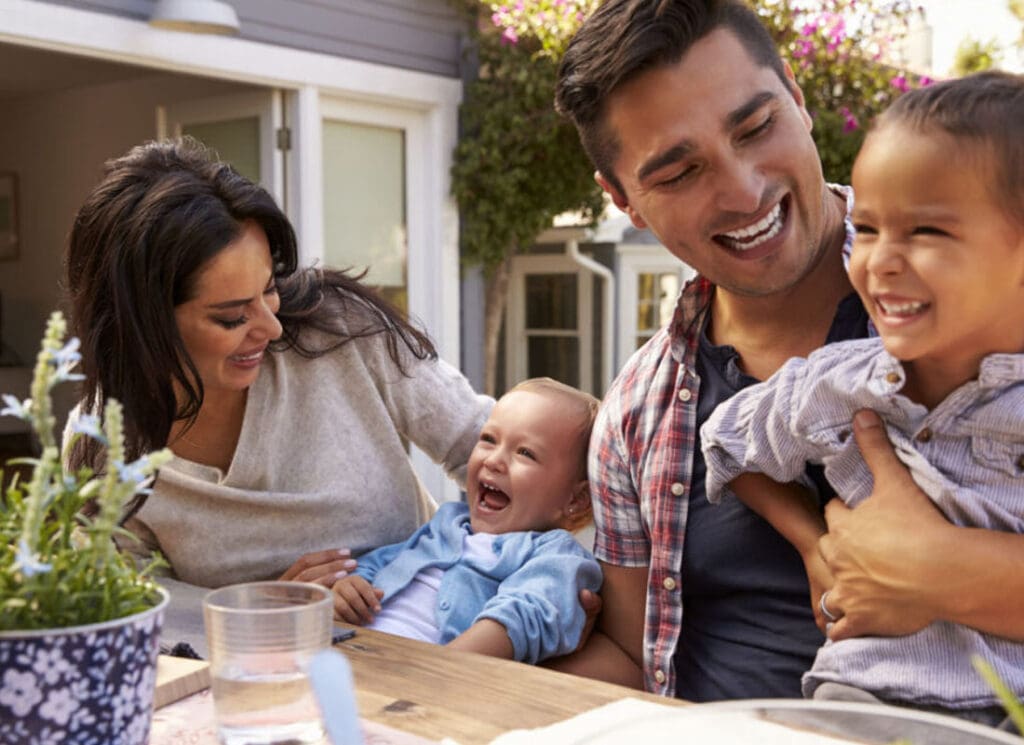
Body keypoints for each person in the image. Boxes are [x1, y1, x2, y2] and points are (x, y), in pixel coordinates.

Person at [550, 0, 1024, 702]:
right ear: (624, 200)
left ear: (797, 99)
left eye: (756, 125)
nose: (743, 191)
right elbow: (630, 648)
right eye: (679, 173)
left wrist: (939, 569)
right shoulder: (634, 411)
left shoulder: (991, 297)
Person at [700, 72, 1024, 724]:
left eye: (927, 232)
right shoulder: (840, 383)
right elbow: (727, 440)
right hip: (858, 701)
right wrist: (814, 543)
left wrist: (934, 570)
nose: (881, 260)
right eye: (869, 227)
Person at [63, 137, 492, 594]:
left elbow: (486, 446)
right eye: (232, 316)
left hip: (433, 633)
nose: (270, 326)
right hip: (259, 661)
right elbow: (136, 603)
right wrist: (266, 605)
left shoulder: (340, 330)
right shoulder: (103, 448)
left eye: (269, 288)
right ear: (143, 324)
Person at [332, 378, 603, 664]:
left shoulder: (555, 555)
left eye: (525, 453)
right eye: (488, 440)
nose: (494, 460)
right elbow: (385, 561)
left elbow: (526, 613)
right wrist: (352, 587)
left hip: (425, 680)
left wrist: (441, 669)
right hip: (346, 655)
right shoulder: (446, 524)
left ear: (576, 500)